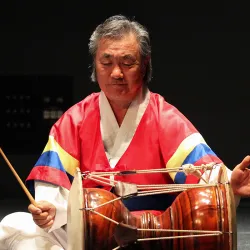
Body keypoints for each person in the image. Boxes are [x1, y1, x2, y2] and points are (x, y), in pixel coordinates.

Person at [0, 14, 250, 250]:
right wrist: (49, 210)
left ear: (145, 64)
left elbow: (203, 172)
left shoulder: (165, 118)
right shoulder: (74, 120)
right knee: (14, 227)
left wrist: (230, 183)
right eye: (106, 63)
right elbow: (53, 191)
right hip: (88, 236)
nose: (116, 73)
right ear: (95, 64)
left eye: (127, 62)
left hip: (151, 237)